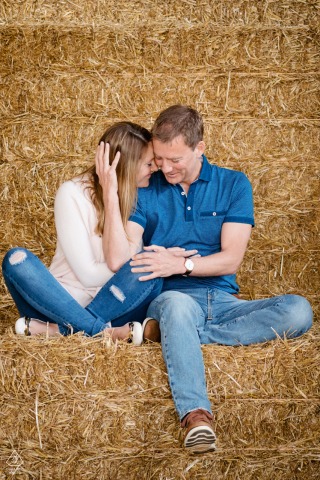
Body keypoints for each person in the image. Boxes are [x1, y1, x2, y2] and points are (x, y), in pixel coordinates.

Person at [107, 105, 313, 453]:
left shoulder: (234, 183)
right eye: (159, 158)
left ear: (199, 148)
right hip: (172, 300)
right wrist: (113, 194)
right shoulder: (146, 190)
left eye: (175, 159)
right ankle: (197, 416)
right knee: (176, 307)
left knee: (299, 311)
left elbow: (230, 259)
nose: (165, 168)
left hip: (223, 302)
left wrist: (180, 264)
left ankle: (176, 337)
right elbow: (122, 257)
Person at [2, 121, 195, 342]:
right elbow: (89, 275)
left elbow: (124, 261)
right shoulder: (71, 193)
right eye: (148, 164)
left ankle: (57, 330)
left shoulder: (137, 197)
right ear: (127, 166)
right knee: (16, 260)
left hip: (116, 302)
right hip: (61, 301)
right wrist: (110, 195)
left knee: (151, 272)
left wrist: (156, 262)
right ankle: (105, 332)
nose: (156, 169)